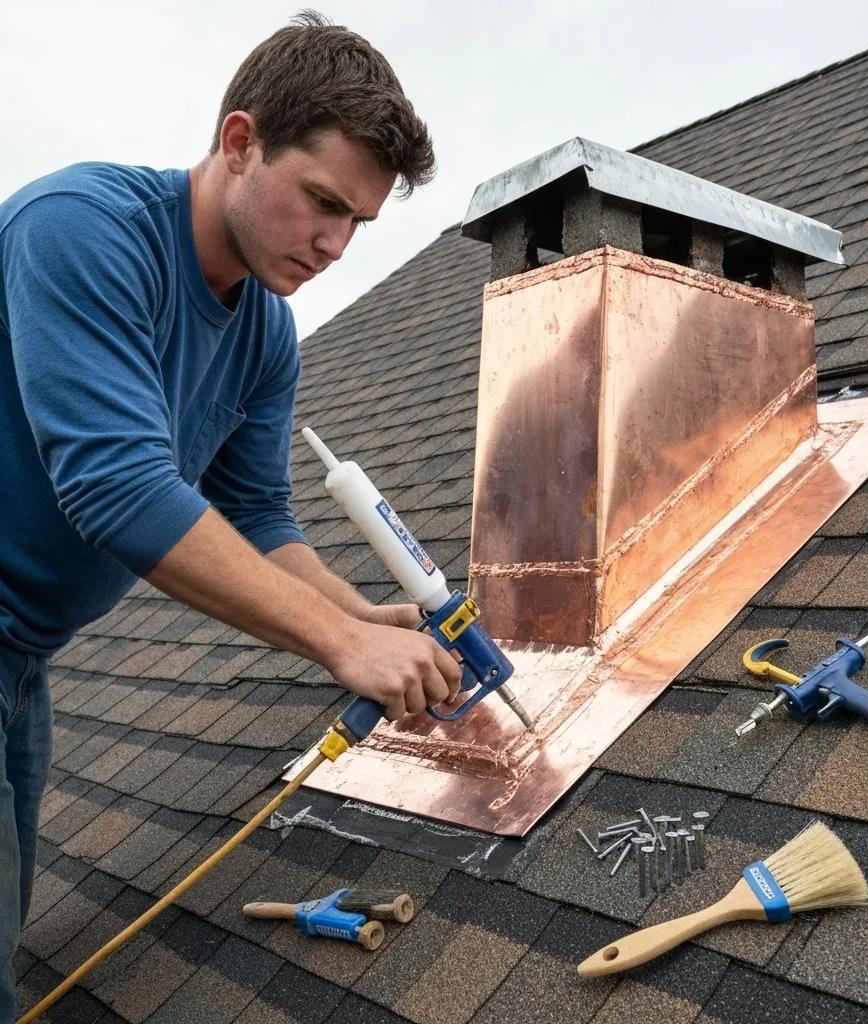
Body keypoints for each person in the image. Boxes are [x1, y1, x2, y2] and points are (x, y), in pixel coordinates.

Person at [0, 12, 462, 1020]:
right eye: (322, 203)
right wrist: (339, 640)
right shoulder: (78, 228)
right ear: (241, 141)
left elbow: (255, 514)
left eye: (359, 224)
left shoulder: (265, 334)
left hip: (21, 660)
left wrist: (363, 614)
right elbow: (115, 484)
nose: (336, 244)